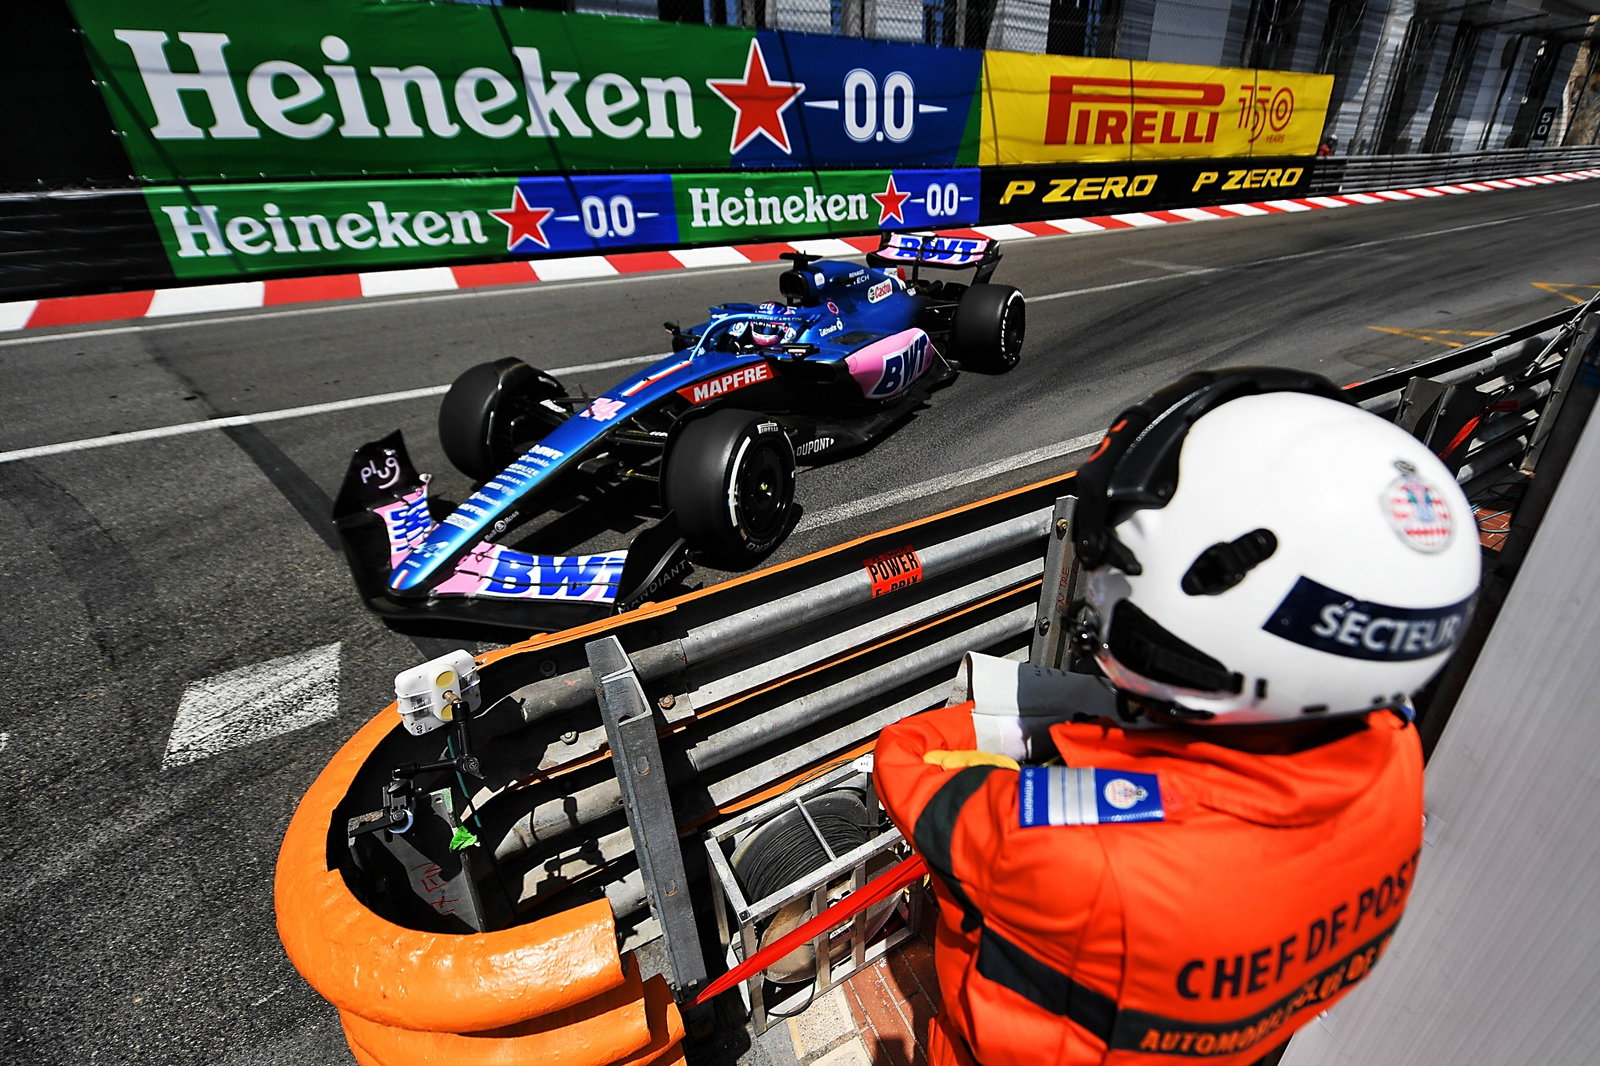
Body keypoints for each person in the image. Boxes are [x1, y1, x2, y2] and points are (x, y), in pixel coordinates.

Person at [873, 367, 1481, 1066]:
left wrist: (1041, 721)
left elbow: (911, 766)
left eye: (1114, 565)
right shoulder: (1392, 754)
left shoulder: (1071, 847)